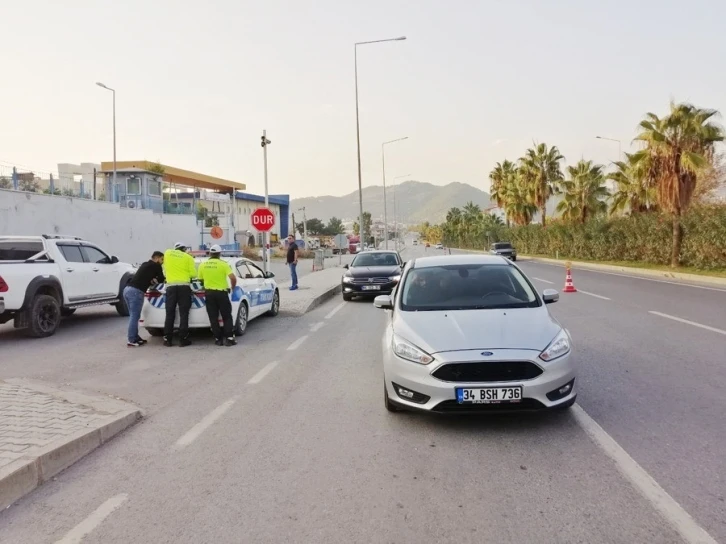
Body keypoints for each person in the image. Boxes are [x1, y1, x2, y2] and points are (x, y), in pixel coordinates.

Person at [197, 244, 237, 346]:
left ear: (210, 253)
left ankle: (218, 339)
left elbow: (200, 280)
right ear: (219, 254)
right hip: (221, 293)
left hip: (209, 293)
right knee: (227, 316)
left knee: (213, 317)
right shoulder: (223, 264)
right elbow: (233, 278)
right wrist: (232, 287)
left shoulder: (203, 265)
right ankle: (229, 338)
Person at [123, 251, 164, 347]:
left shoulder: (145, 264)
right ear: (157, 258)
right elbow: (162, 279)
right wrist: (156, 279)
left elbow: (144, 276)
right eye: (162, 259)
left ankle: (135, 337)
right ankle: (132, 339)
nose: (163, 262)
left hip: (127, 290)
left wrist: (152, 279)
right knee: (134, 317)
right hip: (136, 292)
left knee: (133, 316)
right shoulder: (156, 266)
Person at [163, 242, 197, 347]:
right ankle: (183, 339)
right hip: (184, 287)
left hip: (170, 287)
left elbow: (164, 270)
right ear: (184, 249)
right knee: (184, 313)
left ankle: (167, 339)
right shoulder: (188, 257)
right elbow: (193, 274)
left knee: (169, 313)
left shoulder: (167, 253)